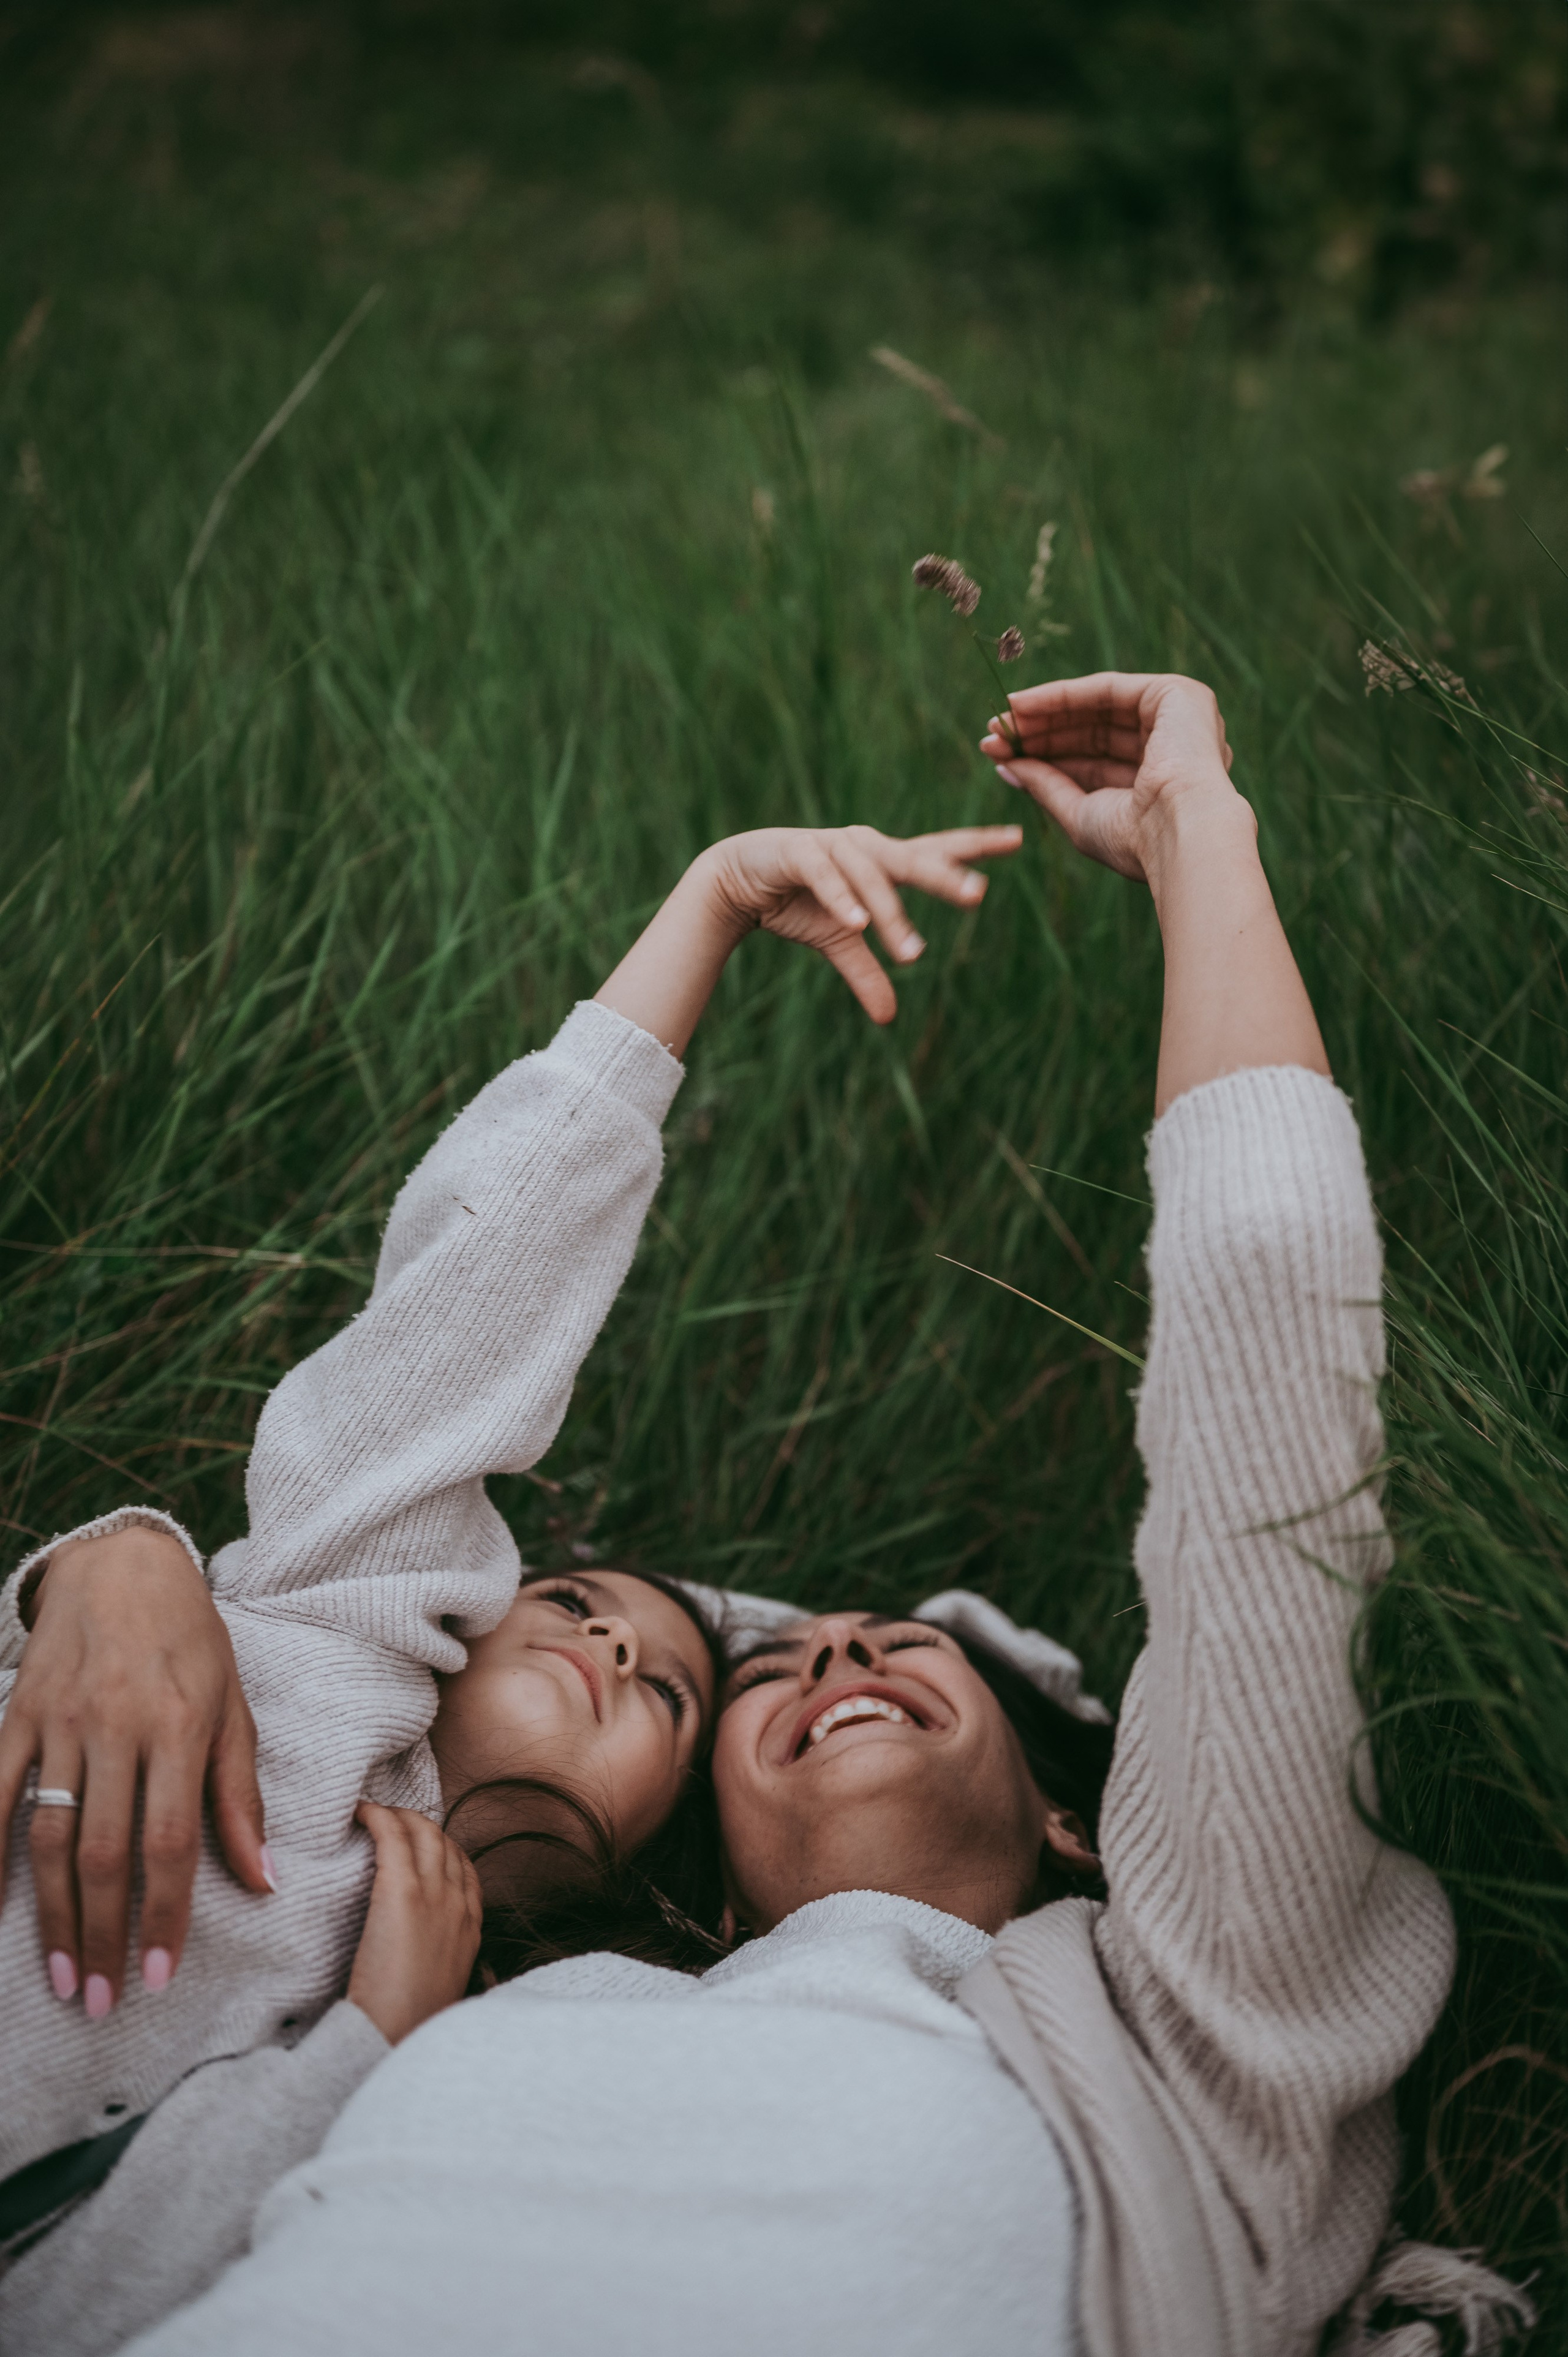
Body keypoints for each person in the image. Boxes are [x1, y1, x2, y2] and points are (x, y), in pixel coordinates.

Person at [0, 817, 1023, 2355]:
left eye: (670, 1693)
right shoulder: (346, 1610)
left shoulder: (465, 2034)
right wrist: (708, 909)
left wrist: (368, 2043)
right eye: (569, 1602)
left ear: (638, 1868)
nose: (611, 1635)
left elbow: (80, 2296)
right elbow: (482, 1284)